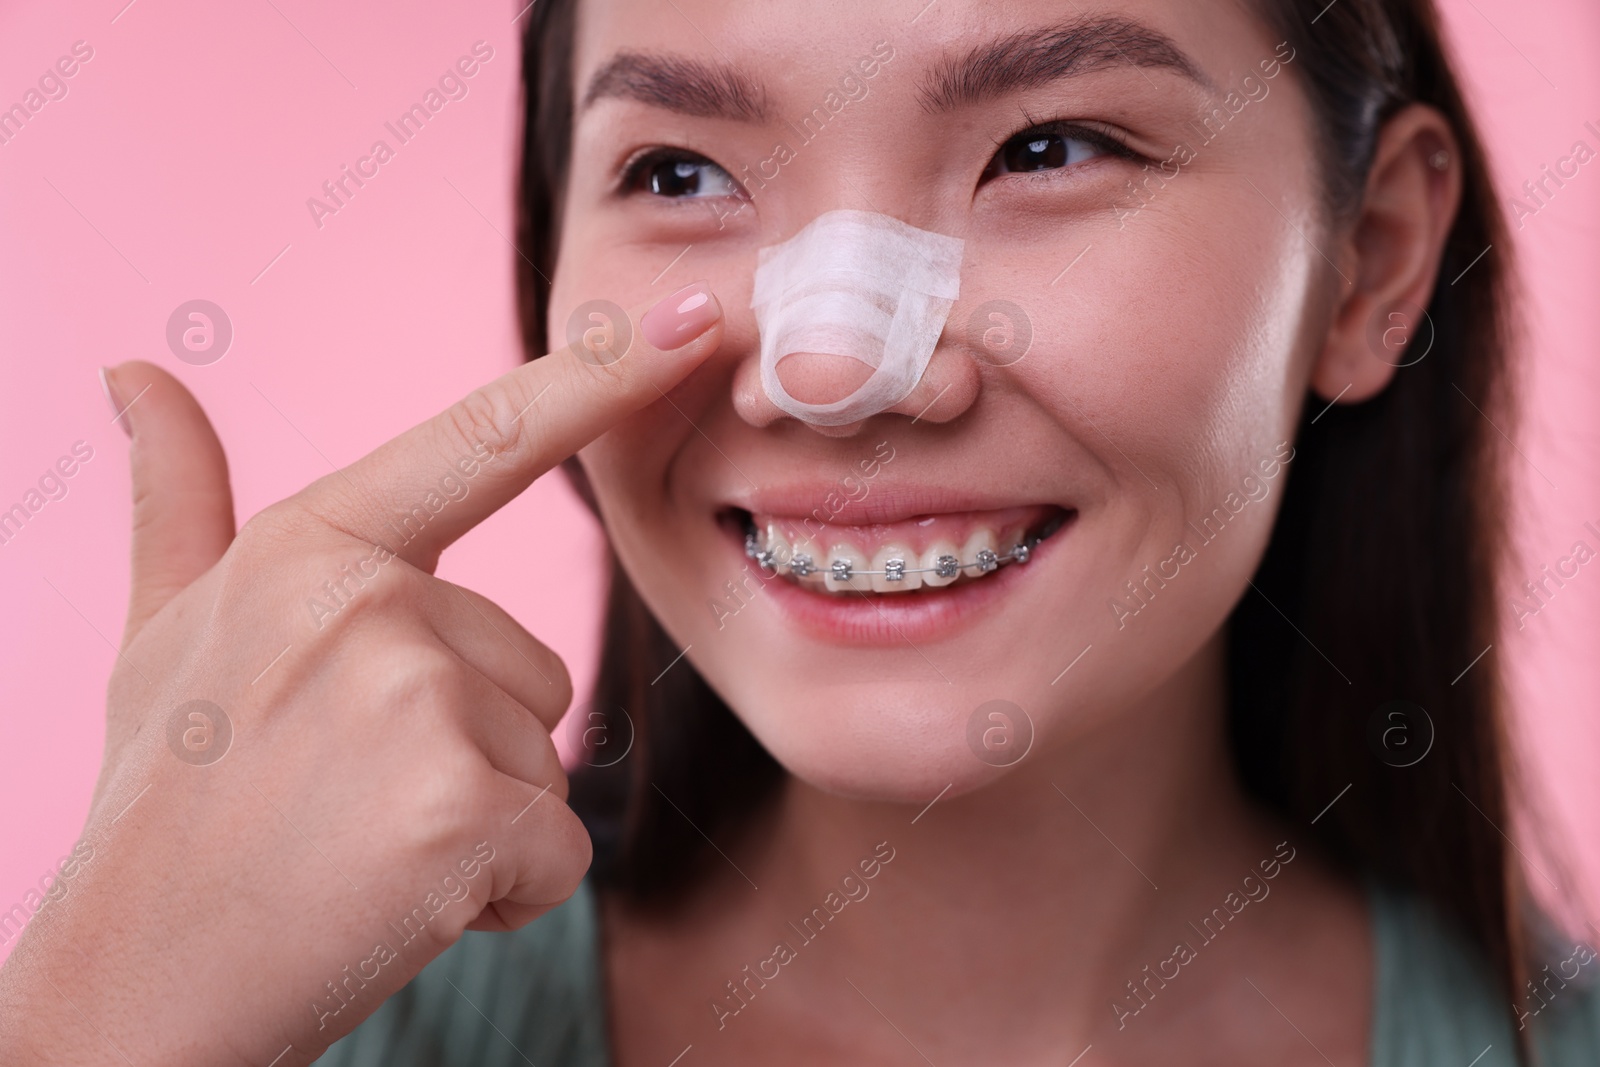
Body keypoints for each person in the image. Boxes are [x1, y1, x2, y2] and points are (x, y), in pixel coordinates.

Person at [2, 0, 1596, 1063]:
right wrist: (95, 1023)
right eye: (678, 168)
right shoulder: (290, 1028)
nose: (834, 372)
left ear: (1376, 258)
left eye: (1047, 148)